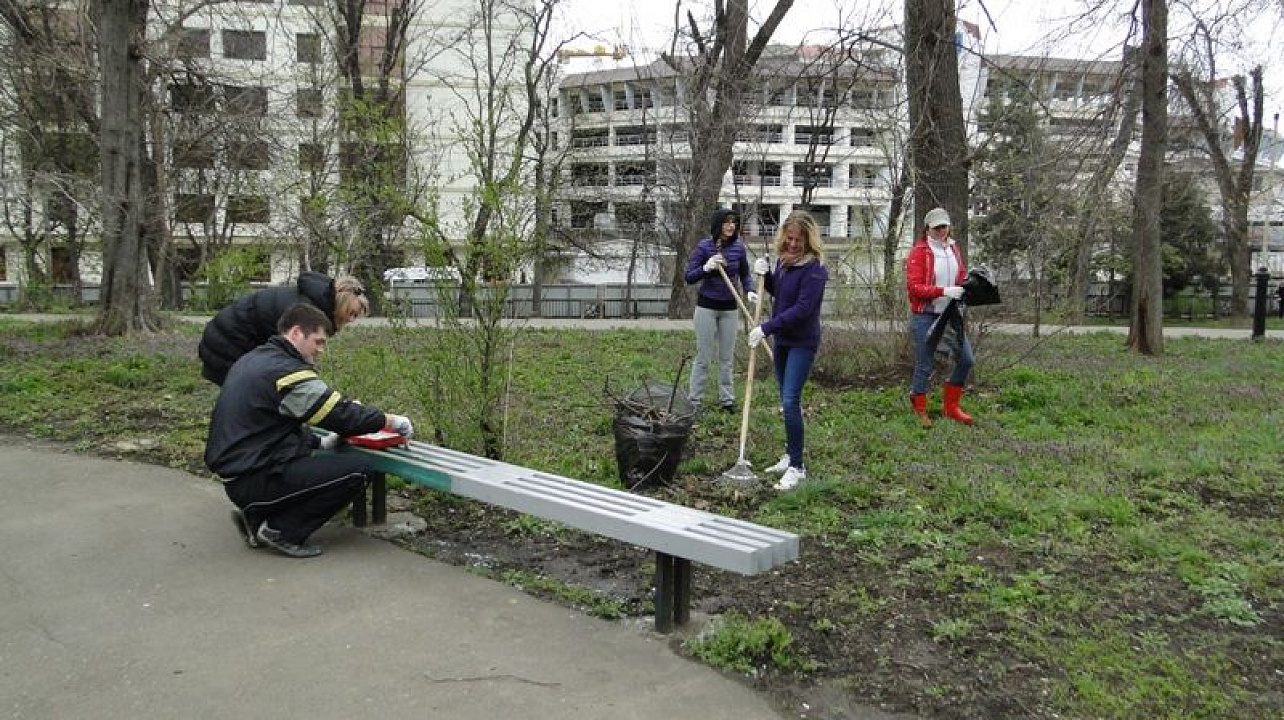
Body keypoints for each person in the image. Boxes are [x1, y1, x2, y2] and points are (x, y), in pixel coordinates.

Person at [204, 303, 414, 558]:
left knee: (319, 463)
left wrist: (319, 443)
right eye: (318, 341)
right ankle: (282, 530)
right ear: (296, 333)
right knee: (359, 471)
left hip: (241, 473)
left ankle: (255, 516)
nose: (321, 350)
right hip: (255, 477)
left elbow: (270, 426)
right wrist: (391, 421)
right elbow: (340, 414)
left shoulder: (256, 359)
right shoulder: (286, 372)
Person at [747, 211, 829, 491]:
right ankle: (791, 453)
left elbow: (803, 309)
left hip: (802, 342)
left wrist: (767, 327)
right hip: (783, 340)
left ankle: (797, 467)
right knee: (785, 399)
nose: (793, 244)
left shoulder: (815, 270)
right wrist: (764, 277)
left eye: (799, 240)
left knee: (791, 399)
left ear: (808, 241)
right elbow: (781, 293)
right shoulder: (784, 263)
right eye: (789, 238)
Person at [198, 271, 369, 386]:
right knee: (249, 396)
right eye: (351, 313)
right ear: (340, 304)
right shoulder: (306, 312)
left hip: (229, 337)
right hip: (227, 343)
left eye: (355, 315)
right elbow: (290, 360)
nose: (351, 320)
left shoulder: (312, 303)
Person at [905, 207, 975, 427]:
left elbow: (960, 275)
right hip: (926, 314)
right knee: (924, 363)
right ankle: (919, 408)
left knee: (966, 359)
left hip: (950, 314)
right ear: (927, 228)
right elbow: (914, 287)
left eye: (944, 226)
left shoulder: (954, 248)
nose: (941, 231)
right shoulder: (919, 252)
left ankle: (951, 406)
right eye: (936, 228)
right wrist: (944, 291)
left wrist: (969, 284)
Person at [684, 208, 757, 413]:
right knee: (703, 357)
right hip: (706, 307)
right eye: (726, 222)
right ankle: (695, 401)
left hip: (729, 308)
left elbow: (745, 275)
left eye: (734, 222)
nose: (731, 226)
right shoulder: (704, 247)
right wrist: (706, 268)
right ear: (718, 225)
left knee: (726, 358)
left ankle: (727, 401)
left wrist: (750, 290)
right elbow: (689, 276)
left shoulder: (739, 248)